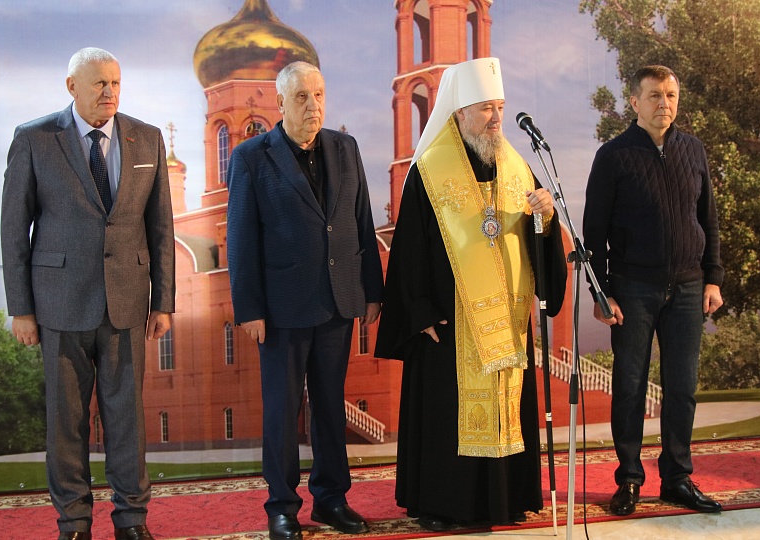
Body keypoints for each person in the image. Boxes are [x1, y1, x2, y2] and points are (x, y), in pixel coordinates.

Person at [374, 57, 567, 531]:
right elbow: (410, 249)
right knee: (449, 417)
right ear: (460, 112)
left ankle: (507, 499)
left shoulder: (517, 168)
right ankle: (448, 504)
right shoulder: (430, 171)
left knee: (506, 409)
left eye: (499, 107)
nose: (496, 117)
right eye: (485, 108)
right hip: (450, 325)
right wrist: (420, 311)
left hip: (508, 323)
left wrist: (546, 220)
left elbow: (535, 242)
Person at [1, 47, 174, 540]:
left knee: (127, 421)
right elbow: (13, 229)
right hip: (58, 304)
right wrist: (21, 309)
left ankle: (132, 520)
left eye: (115, 83)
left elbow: (161, 226)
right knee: (67, 423)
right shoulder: (34, 139)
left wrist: (163, 301)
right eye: (99, 83)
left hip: (127, 303)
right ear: (71, 86)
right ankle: (74, 522)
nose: (110, 92)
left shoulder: (147, 138)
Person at [225, 61, 384, 540]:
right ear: (280, 103)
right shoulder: (251, 157)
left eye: (319, 95)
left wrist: (371, 290)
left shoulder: (345, 147)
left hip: (338, 302)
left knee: (331, 407)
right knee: (281, 411)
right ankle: (282, 507)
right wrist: (249, 309)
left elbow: (361, 222)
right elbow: (241, 240)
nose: (313, 106)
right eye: (301, 97)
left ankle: (332, 500)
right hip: (281, 310)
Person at [583, 65, 724, 516]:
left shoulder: (694, 150)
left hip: (688, 287)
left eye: (671, 95)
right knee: (629, 386)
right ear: (635, 102)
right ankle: (628, 480)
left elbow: (708, 219)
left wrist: (713, 277)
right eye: (655, 95)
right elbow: (594, 232)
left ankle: (677, 479)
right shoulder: (613, 156)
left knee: (682, 388)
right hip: (632, 290)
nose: (665, 103)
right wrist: (601, 293)